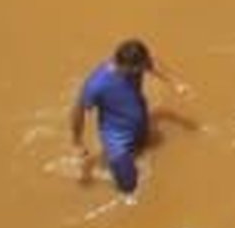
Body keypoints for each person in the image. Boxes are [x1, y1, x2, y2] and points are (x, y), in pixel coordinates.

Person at [71, 38, 182, 194]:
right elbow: (78, 110)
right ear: (123, 65)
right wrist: (77, 142)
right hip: (117, 138)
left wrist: (175, 83)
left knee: (144, 150)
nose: (141, 71)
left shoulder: (137, 64)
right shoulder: (96, 85)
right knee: (129, 187)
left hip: (139, 123)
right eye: (137, 70)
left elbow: (153, 64)